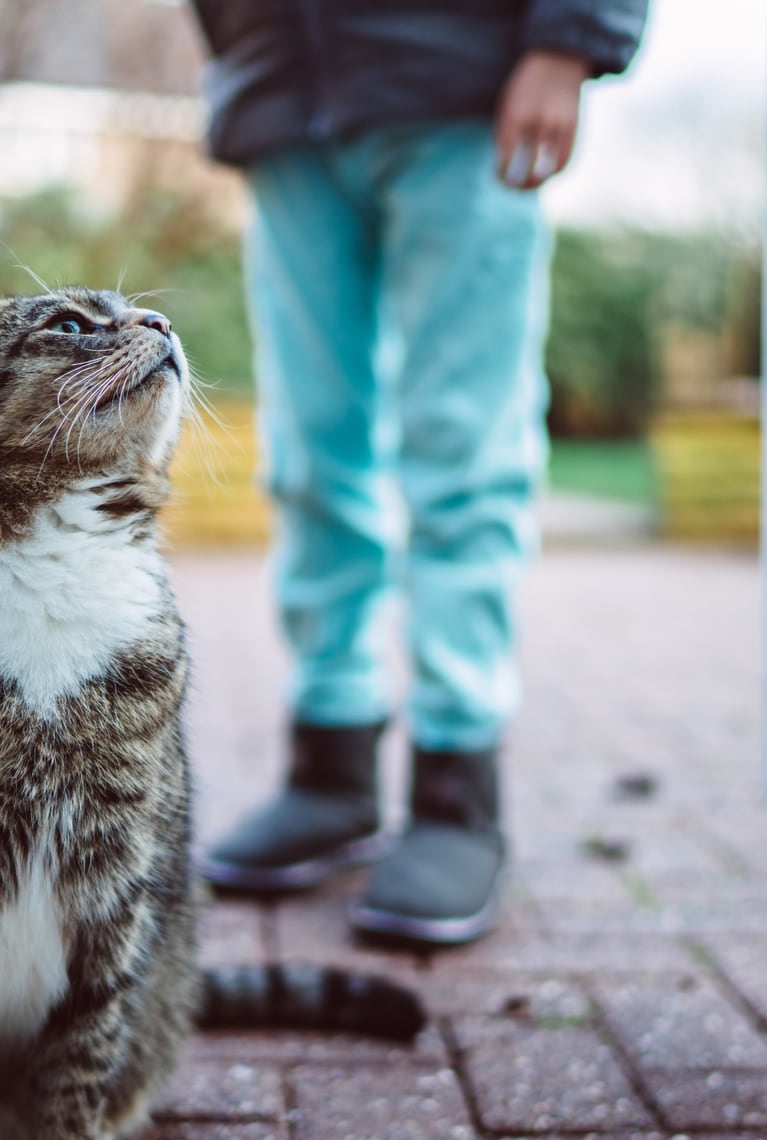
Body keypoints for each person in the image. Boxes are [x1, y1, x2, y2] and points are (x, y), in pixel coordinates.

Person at [190, 0, 648, 945]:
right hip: (281, 97)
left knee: (463, 458)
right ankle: (330, 767)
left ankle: (456, 791)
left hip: (461, 80)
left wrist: (566, 44)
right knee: (310, 456)